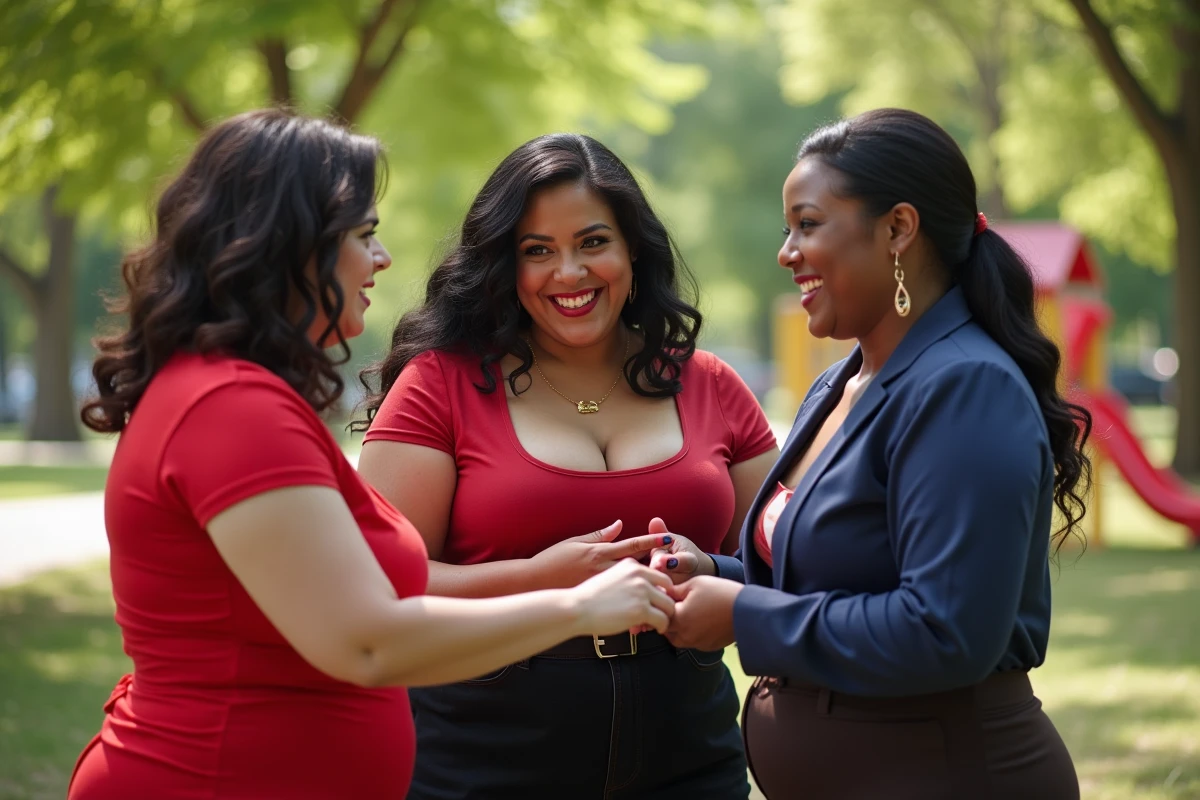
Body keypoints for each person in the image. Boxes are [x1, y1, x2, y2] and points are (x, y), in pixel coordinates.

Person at [68, 109, 675, 800]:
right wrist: (578, 609)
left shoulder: (229, 391)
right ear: (292, 245)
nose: (382, 259)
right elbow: (366, 642)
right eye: (364, 236)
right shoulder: (228, 407)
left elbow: (371, 606)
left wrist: (548, 582)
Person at [661, 108, 1092, 800]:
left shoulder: (965, 386)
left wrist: (740, 613)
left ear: (897, 229)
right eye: (787, 230)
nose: (787, 253)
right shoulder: (840, 384)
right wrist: (713, 572)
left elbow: (944, 630)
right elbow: (840, 572)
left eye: (808, 224)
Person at [356, 132, 780, 798]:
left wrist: (711, 571)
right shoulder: (439, 385)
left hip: (689, 753)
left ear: (633, 248)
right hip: (482, 755)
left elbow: (793, 563)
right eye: (538, 251)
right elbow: (380, 585)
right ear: (505, 265)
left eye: (592, 242)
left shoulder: (712, 384)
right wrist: (540, 581)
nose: (569, 273)